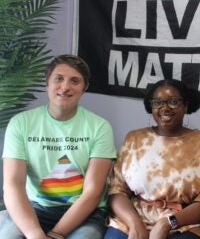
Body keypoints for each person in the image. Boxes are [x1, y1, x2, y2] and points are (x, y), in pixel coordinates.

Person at [0, 54, 117, 239]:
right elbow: (13, 185)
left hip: (83, 214)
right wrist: (34, 234)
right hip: (33, 209)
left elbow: (92, 193)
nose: (65, 87)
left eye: (75, 81)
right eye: (59, 79)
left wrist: (56, 234)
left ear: (84, 88)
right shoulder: (21, 123)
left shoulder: (99, 127)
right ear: (47, 82)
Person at [104, 79, 200, 239]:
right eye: (158, 102)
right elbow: (117, 191)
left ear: (186, 105)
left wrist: (167, 223)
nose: (165, 108)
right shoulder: (134, 139)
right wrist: (135, 224)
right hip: (132, 218)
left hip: (184, 223)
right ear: (151, 106)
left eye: (173, 101)